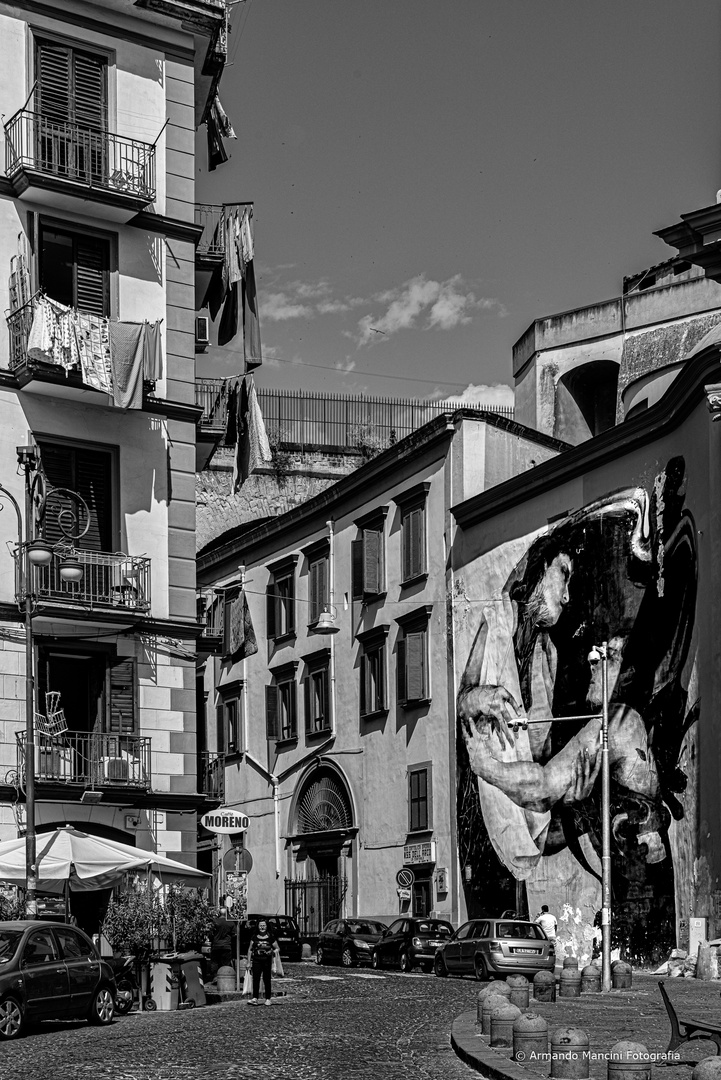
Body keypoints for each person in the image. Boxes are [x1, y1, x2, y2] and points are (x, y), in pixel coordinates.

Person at [247, 918, 280, 1006]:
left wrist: (272, 952)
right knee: (256, 979)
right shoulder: (254, 937)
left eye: (264, 926)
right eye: (260, 926)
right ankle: (255, 998)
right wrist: (248, 962)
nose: (262, 927)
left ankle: (268, 998)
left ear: (266, 927)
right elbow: (250, 950)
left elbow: (277, 948)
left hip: (267, 961)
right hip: (256, 960)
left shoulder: (270, 937)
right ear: (258, 926)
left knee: (267, 979)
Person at [210, 905, 236, 977]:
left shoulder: (215, 922)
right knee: (226, 963)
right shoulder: (231, 922)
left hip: (216, 945)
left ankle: (215, 976)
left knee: (215, 962)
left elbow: (210, 933)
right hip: (226, 946)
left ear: (219, 913)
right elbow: (234, 934)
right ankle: (225, 977)